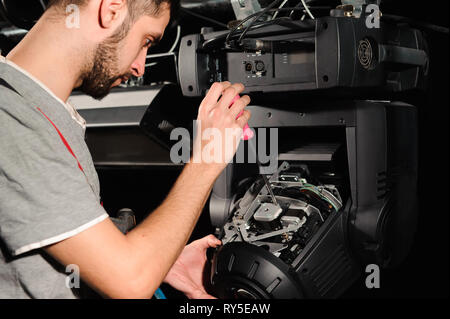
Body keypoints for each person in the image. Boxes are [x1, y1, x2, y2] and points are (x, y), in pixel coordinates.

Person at [0, 0, 251, 299]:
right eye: (146, 41)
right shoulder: (12, 119)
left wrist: (161, 260)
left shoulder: (37, 110)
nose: (139, 66)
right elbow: (130, 283)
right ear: (111, 9)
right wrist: (209, 156)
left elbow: (65, 248)